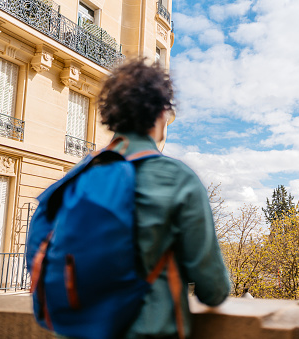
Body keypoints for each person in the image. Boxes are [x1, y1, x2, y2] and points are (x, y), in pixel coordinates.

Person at [98, 59, 229, 338]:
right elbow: (214, 289)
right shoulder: (176, 179)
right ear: (161, 115)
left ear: (112, 116)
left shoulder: (74, 179)